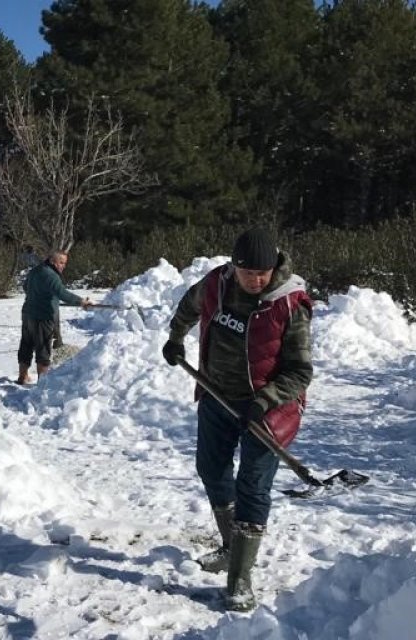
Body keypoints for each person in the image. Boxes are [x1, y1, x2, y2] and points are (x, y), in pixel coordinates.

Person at [160, 227, 312, 612]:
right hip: (216, 394)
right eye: (249, 273)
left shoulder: (289, 303)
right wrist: (176, 337)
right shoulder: (217, 284)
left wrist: (265, 400)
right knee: (211, 468)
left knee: (252, 485)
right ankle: (230, 548)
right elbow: (189, 305)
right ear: (234, 266)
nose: (256, 280)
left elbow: (300, 371)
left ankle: (240, 579)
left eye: (262, 273)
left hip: (267, 408)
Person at [18, 250, 91, 384]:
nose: (63, 266)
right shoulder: (51, 275)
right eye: (61, 262)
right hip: (42, 317)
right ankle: (42, 382)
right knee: (43, 348)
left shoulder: (36, 270)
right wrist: (81, 301)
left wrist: (40, 296)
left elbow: (25, 287)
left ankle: (23, 376)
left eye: (65, 263)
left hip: (27, 313)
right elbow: (62, 293)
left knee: (26, 345)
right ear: (52, 261)